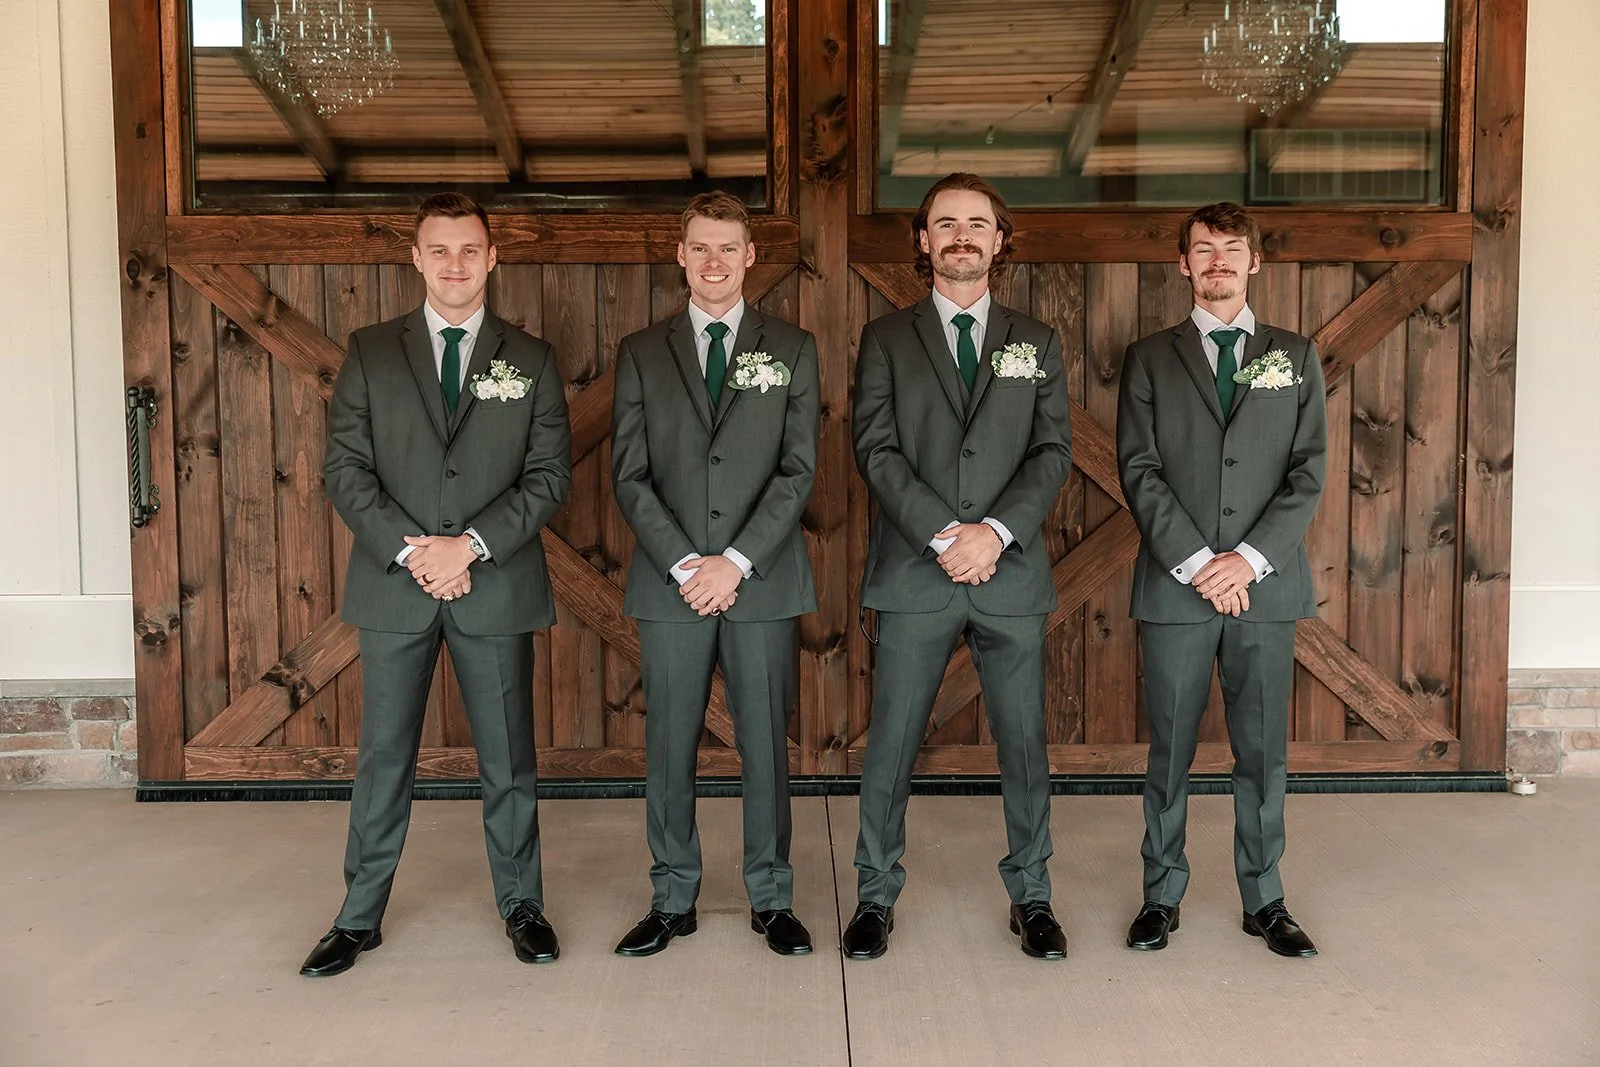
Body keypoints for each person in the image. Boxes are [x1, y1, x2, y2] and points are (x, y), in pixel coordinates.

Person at [302, 192, 572, 977]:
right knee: (384, 755)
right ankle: (358, 915)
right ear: (415, 258)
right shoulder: (370, 350)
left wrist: (473, 546)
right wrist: (417, 552)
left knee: (509, 758)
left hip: (495, 584)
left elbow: (549, 475)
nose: (455, 264)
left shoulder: (531, 359)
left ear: (493, 258)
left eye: (470, 250)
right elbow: (345, 469)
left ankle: (523, 903)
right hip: (397, 584)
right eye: (439, 250)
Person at [845, 173, 1072, 961]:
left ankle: (1032, 896)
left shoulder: (1036, 341)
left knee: (1023, 740)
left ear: (1001, 240)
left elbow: (1052, 453)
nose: (962, 235)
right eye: (946, 223)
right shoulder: (886, 339)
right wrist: (947, 533)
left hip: (1010, 572)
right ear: (923, 239)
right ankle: (874, 894)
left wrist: (996, 532)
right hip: (916, 568)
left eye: (978, 223)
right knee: (893, 738)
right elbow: (875, 447)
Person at [609, 192, 821, 958]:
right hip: (671, 581)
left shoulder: (791, 347)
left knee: (765, 742)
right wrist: (685, 562)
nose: (714, 261)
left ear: (750, 256)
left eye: (728, 248)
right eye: (700, 247)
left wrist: (734, 560)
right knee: (669, 743)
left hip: (760, 578)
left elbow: (798, 470)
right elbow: (629, 473)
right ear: (680, 254)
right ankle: (672, 897)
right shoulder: (641, 350)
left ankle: (771, 896)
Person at [1116, 202, 1327, 958]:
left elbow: (1308, 473)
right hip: (1177, 587)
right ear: (1182, 264)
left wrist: (1250, 559)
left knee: (1262, 750)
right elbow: (1138, 470)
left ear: (1254, 261)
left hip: (1266, 589)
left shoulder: (1295, 355)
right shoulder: (1148, 357)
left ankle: (1264, 897)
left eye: (1231, 248)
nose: (1217, 261)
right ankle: (1161, 893)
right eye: (1202, 249)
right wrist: (1202, 562)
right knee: (1168, 745)